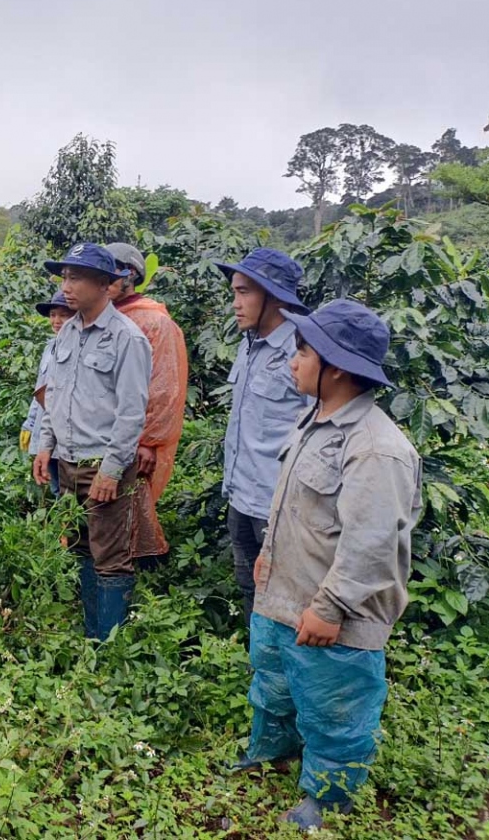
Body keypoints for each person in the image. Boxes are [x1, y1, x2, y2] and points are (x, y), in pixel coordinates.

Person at [236, 300, 421, 831]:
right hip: (284, 594)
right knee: (273, 680)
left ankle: (330, 793)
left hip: (331, 612)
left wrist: (331, 606)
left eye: (303, 352)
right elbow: (292, 503)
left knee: (335, 704)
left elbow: (371, 542)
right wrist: (268, 557)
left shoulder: (377, 449)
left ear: (336, 367)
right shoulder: (314, 419)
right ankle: (271, 749)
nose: (292, 361)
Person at [33, 243, 152, 639]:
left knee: (110, 557)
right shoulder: (66, 332)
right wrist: (45, 444)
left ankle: (108, 644)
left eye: (76, 277)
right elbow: (55, 394)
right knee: (80, 546)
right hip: (68, 463)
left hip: (101, 464)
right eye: (64, 276)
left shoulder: (127, 339)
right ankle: (90, 633)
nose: (66, 286)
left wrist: (112, 470)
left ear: (105, 284)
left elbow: (132, 412)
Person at [216, 249, 310, 627]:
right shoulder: (250, 343)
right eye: (234, 293)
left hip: (280, 502)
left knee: (286, 599)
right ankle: (261, 671)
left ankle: (283, 677)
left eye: (244, 293)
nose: (236, 304)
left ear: (274, 297)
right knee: (250, 589)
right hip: (242, 494)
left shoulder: (303, 350)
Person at [104, 242, 188, 562]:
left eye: (111, 272)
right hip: (104, 430)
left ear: (131, 276)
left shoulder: (154, 322)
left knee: (133, 500)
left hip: (135, 434)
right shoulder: (103, 315)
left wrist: (150, 441)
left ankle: (145, 564)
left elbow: (164, 387)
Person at [20, 290, 74, 494]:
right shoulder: (49, 348)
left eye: (63, 315)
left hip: (68, 433)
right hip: (45, 429)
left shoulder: (79, 346)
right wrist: (30, 423)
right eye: (53, 315)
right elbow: (40, 390)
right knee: (56, 489)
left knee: (71, 492)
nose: (57, 321)